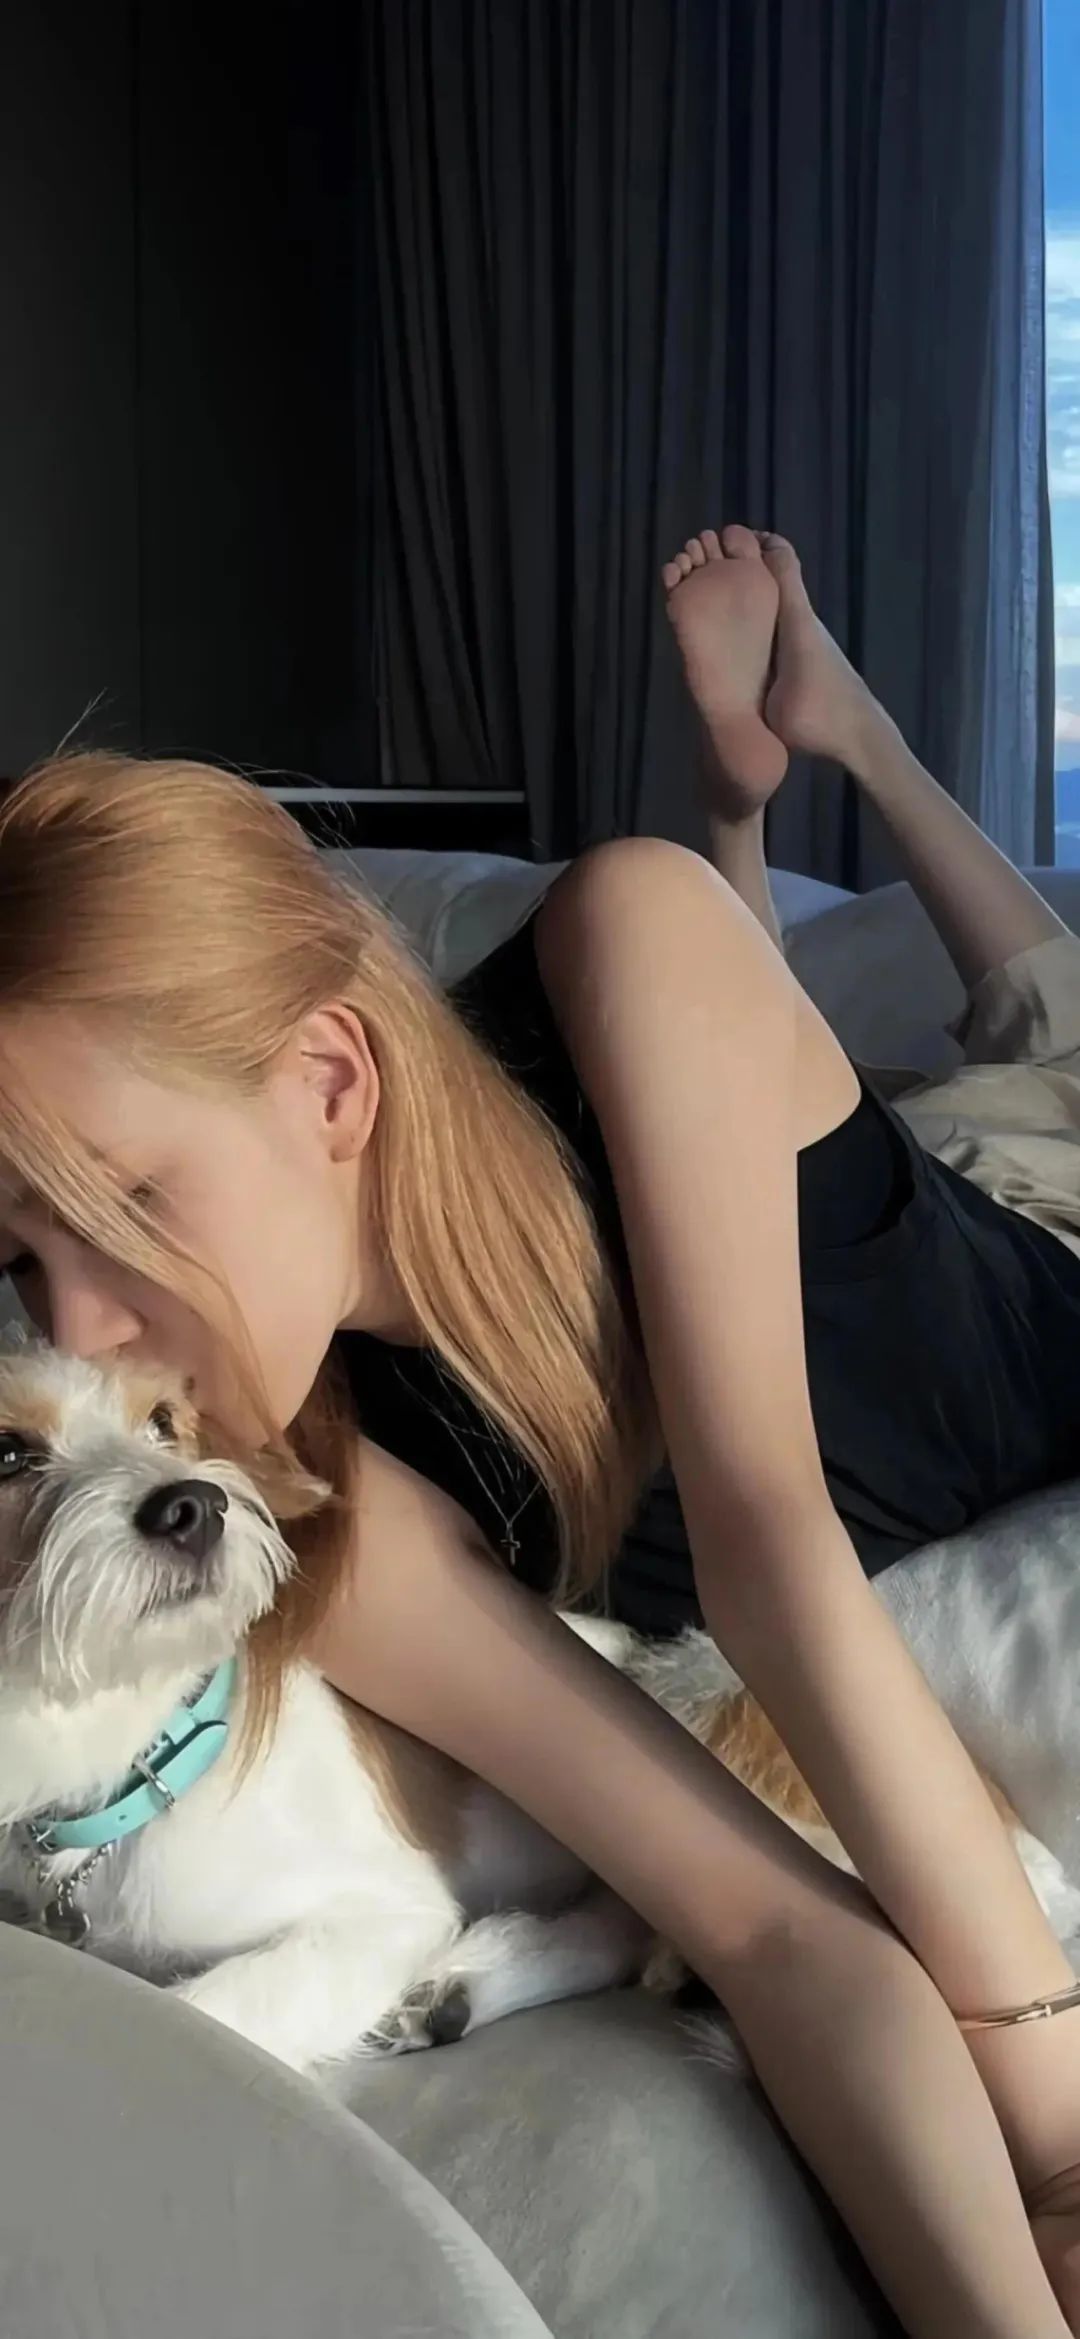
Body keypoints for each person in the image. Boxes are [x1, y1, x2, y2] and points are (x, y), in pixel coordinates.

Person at [0, 529, 1078, 2339]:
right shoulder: (328, 1496)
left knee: (1034, 1034)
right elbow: (768, 1925)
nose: (82, 1329)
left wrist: (1056, 2145)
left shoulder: (621, 928)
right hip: (744, 1148)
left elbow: (768, 1549)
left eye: (127, 1208)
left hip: (1017, 1251)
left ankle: (846, 750)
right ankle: (758, 837)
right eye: (26, 1259)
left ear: (331, 1081)